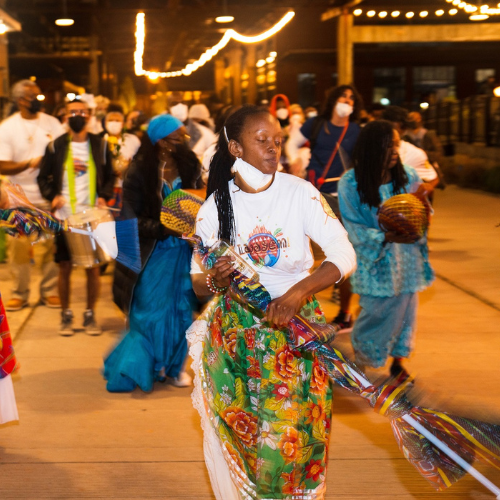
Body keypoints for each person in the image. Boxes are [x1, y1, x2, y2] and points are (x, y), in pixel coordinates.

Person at [187, 105, 356, 498]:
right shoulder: (215, 207)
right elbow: (196, 282)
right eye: (262, 140)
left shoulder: (300, 193)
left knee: (291, 438)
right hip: (237, 340)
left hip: (296, 333)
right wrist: (215, 279)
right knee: (248, 440)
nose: (273, 148)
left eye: (278, 140)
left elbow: (343, 253)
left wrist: (299, 292)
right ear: (236, 147)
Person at [105, 114, 201, 392]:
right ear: (160, 141)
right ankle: (147, 364)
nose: (182, 141)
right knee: (148, 311)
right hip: (151, 251)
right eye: (176, 137)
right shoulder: (139, 171)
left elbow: (200, 198)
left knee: (182, 308)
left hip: (184, 250)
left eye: (183, 136)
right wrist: (164, 229)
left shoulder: (189, 163)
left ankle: (174, 367)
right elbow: (129, 219)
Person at [338, 120, 434, 377]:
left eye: (396, 145)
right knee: (375, 312)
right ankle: (361, 359)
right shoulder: (350, 183)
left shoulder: (409, 177)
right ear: (371, 147)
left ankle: (398, 363)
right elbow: (353, 227)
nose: (394, 151)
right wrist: (385, 236)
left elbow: (423, 213)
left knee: (406, 314)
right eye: (388, 145)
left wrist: (422, 214)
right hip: (375, 262)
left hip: (407, 260)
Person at [286, 84, 362, 332]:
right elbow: (292, 143)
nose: (347, 101)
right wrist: (296, 159)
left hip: (346, 198)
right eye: (343, 96)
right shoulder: (316, 124)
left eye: (351, 98)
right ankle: (300, 304)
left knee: (342, 251)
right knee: (305, 251)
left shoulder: (356, 130)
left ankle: (345, 313)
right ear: (333, 99)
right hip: (315, 194)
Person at [37, 97, 115, 336]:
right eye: (72, 112)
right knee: (65, 266)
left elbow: (111, 176)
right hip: (65, 217)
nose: (77, 116)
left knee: (93, 267)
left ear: (89, 116)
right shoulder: (55, 146)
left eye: (81, 111)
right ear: (65, 117)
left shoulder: (101, 145)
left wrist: (104, 195)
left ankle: (90, 314)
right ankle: (66, 314)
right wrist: (52, 197)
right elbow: (43, 178)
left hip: (92, 216)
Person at [0, 79, 65, 311]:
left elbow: (63, 153)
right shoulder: (7, 127)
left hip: (47, 193)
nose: (39, 101)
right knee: (18, 247)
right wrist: (30, 163)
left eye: (40, 96)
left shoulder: (53, 123)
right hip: (17, 196)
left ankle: (49, 291)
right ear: (20, 100)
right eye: (34, 97)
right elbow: (2, 165)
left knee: (48, 246)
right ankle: (20, 292)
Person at [382, 106, 439, 191]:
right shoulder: (370, 150)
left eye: (393, 127)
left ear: (403, 128)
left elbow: (433, 179)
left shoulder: (415, 153)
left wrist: (415, 197)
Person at [102, 103, 141, 215]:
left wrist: (129, 167)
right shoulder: (100, 141)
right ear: (105, 123)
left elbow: (140, 161)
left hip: (128, 187)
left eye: (117, 120)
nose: (114, 123)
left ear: (123, 123)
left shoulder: (132, 140)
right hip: (107, 190)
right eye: (111, 120)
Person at [168, 91, 216, 158]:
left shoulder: (204, 133)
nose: (179, 106)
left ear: (187, 105)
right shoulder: (161, 134)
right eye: (174, 103)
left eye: (182, 103)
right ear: (167, 107)